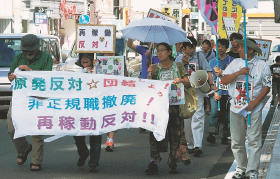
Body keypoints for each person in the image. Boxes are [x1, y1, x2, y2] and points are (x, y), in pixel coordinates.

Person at [220, 38, 271, 179]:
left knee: (254, 139)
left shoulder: (262, 65)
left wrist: (254, 103)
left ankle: (252, 170)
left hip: (253, 108)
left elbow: (267, 86)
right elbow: (223, 80)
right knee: (237, 141)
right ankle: (241, 167)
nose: (239, 50)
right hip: (236, 107)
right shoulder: (235, 63)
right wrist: (239, 73)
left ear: (251, 50)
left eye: (242, 47)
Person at [7, 34, 53, 171]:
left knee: (36, 128)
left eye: (30, 51)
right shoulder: (18, 58)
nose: (27, 53)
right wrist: (12, 76)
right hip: (20, 97)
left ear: (37, 49)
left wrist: (30, 72)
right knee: (11, 126)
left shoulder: (46, 58)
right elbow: (10, 76)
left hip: (38, 97)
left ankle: (36, 161)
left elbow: (47, 78)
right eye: (25, 51)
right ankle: (24, 148)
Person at [145, 43, 190, 175]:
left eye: (162, 51)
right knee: (154, 134)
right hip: (159, 107)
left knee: (175, 135)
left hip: (175, 107)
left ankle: (173, 161)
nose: (159, 53)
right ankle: (154, 161)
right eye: (157, 51)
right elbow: (149, 86)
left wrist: (180, 80)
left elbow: (188, 82)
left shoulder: (178, 66)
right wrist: (149, 74)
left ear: (170, 52)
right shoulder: (155, 68)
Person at [179, 36, 216, 157]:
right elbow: (175, 74)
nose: (192, 49)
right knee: (187, 119)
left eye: (193, 47)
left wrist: (212, 84)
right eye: (190, 47)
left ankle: (197, 145)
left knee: (198, 116)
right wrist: (182, 63)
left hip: (198, 91)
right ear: (183, 48)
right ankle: (190, 144)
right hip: (184, 92)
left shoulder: (200, 56)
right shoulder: (179, 58)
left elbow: (208, 70)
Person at [73, 53, 102, 173]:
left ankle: (93, 163)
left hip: (96, 108)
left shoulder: (99, 71)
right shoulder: (78, 74)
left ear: (92, 59)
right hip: (81, 109)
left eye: (87, 57)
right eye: (82, 57)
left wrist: (97, 68)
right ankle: (84, 153)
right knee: (78, 135)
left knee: (95, 136)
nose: (84, 59)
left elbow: (105, 81)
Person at [207, 39, 234, 145]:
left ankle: (226, 135)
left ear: (226, 48)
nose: (220, 48)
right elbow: (210, 78)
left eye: (222, 46)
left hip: (229, 92)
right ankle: (212, 134)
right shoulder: (212, 62)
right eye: (218, 46)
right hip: (216, 91)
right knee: (214, 113)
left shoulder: (231, 61)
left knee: (227, 115)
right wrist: (214, 91)